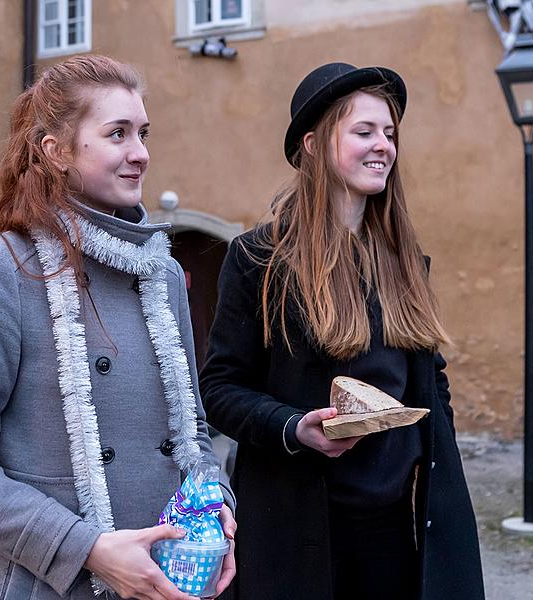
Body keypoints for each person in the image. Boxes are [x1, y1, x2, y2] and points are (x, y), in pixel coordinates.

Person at [0, 55, 235, 600]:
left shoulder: (164, 275)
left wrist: (216, 503)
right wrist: (87, 549)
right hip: (47, 585)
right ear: (55, 151)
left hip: (169, 580)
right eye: (117, 134)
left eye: (143, 133)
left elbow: (192, 432)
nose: (141, 154)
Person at [199, 63, 484, 600]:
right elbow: (218, 389)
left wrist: (438, 481)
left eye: (390, 133)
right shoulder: (260, 260)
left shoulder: (406, 262)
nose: (383, 146)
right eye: (364, 132)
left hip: (392, 528)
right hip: (294, 525)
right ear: (313, 144)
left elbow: (430, 384)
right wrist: (294, 426)